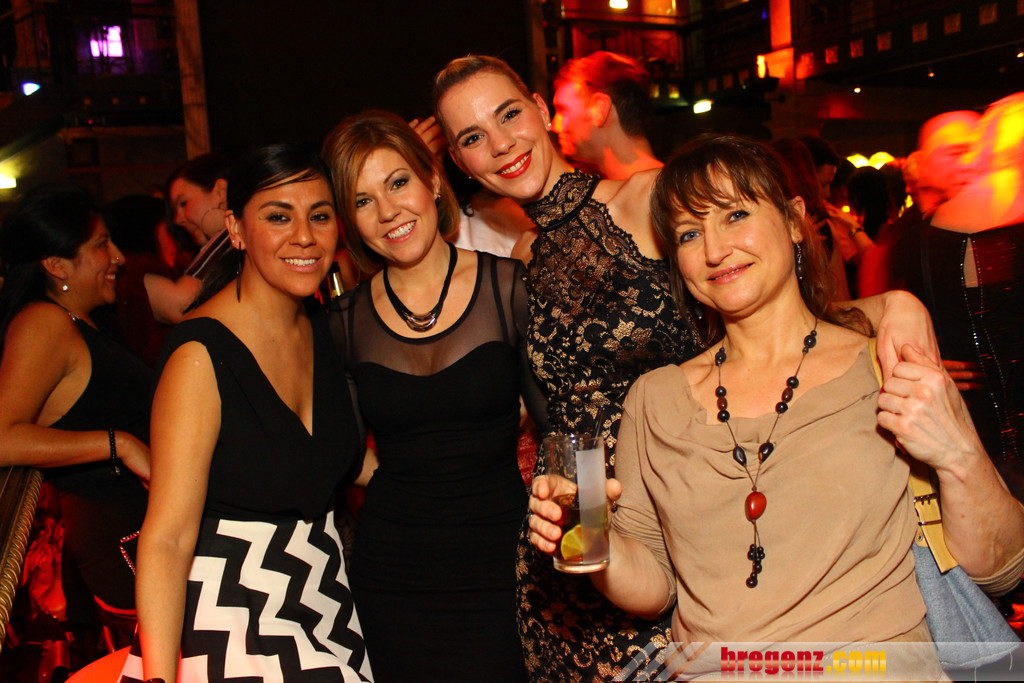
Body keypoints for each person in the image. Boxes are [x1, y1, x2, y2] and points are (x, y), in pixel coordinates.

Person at [432, 55, 936, 681]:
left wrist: (891, 305)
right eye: (472, 137)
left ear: (540, 109)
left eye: (509, 114)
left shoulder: (647, 197)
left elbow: (771, 303)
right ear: (460, 162)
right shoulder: (525, 253)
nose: (500, 143)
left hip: (688, 533)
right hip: (576, 540)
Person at [527, 135, 1024, 678]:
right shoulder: (654, 398)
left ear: (793, 221)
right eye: (689, 233)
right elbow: (656, 587)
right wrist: (593, 544)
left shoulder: (885, 363)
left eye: (735, 215)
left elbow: (1000, 569)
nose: (714, 250)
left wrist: (958, 454)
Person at [121, 144, 372, 683]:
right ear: (235, 229)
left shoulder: (323, 330)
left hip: (323, 594)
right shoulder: (200, 355)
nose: (304, 236)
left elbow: (336, 461)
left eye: (320, 216)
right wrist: (159, 678)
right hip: (232, 610)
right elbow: (167, 539)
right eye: (278, 216)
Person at [323, 110, 544, 682]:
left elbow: (558, 430)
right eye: (363, 200)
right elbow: (341, 453)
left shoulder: (509, 287)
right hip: (394, 574)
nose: (388, 211)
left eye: (398, 182)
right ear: (350, 221)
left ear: (433, 181)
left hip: (503, 563)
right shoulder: (343, 321)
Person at [0, 185, 150, 635]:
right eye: (102, 244)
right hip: (125, 537)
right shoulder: (43, 323)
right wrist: (120, 444)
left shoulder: (79, 323)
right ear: (57, 264)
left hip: (139, 531)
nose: (118, 257)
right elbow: (3, 437)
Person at [899, 94, 1024, 501]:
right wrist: (922, 361)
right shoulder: (914, 236)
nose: (966, 162)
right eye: (955, 152)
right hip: (974, 442)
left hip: (975, 444)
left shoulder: (939, 229)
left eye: (972, 149)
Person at [102, 194, 202, 366]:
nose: (174, 238)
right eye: (167, 227)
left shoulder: (134, 268)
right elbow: (182, 306)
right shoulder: (139, 268)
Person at [552, 51, 662, 179]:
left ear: (599, 109)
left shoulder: (667, 189)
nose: (554, 126)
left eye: (562, 110)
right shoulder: (667, 183)